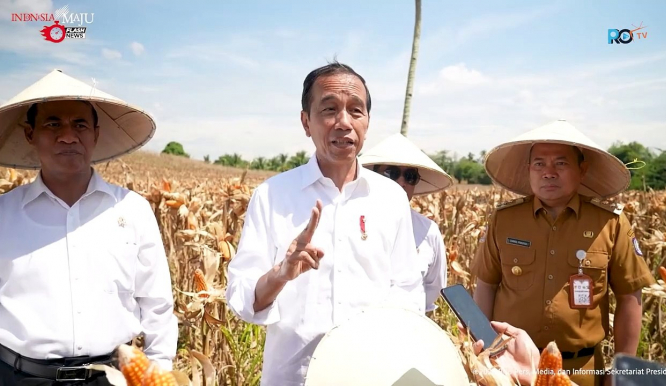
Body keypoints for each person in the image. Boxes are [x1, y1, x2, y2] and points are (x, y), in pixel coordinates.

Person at [225, 61, 425, 386]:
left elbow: (407, 289)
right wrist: (280, 274)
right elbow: (242, 297)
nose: (343, 122)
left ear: (368, 122)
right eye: (329, 109)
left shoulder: (391, 198)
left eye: (355, 111)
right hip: (293, 377)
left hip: (371, 375)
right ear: (306, 121)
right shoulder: (272, 195)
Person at [0, 70, 178, 385]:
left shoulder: (132, 211)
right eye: (53, 123)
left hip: (113, 377)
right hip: (19, 377)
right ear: (30, 134)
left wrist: (158, 371)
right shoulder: (4, 214)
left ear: (95, 134)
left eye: (80, 124)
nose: (68, 136)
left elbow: (157, 306)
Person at [470, 119, 656, 386]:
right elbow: (486, 286)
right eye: (539, 164)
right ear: (529, 170)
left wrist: (622, 372)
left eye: (560, 163)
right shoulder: (504, 220)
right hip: (510, 366)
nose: (548, 172)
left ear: (582, 169)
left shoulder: (610, 224)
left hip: (582, 370)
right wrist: (484, 355)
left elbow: (630, 298)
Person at [359, 133, 454, 312]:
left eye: (410, 176)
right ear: (373, 176)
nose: (401, 182)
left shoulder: (429, 231)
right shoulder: (354, 222)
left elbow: (433, 288)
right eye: (391, 174)